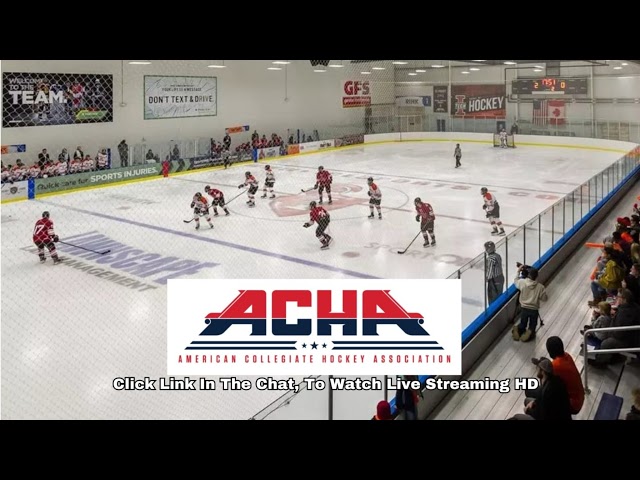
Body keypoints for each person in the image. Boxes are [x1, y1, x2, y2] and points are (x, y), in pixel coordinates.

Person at [512, 265, 548, 342]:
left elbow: (515, 281)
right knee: (533, 324)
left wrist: (518, 271)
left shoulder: (522, 282)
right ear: (536, 276)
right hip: (534, 309)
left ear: (528, 275)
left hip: (524, 308)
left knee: (523, 322)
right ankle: (530, 332)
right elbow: (544, 299)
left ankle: (519, 329)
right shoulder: (540, 287)